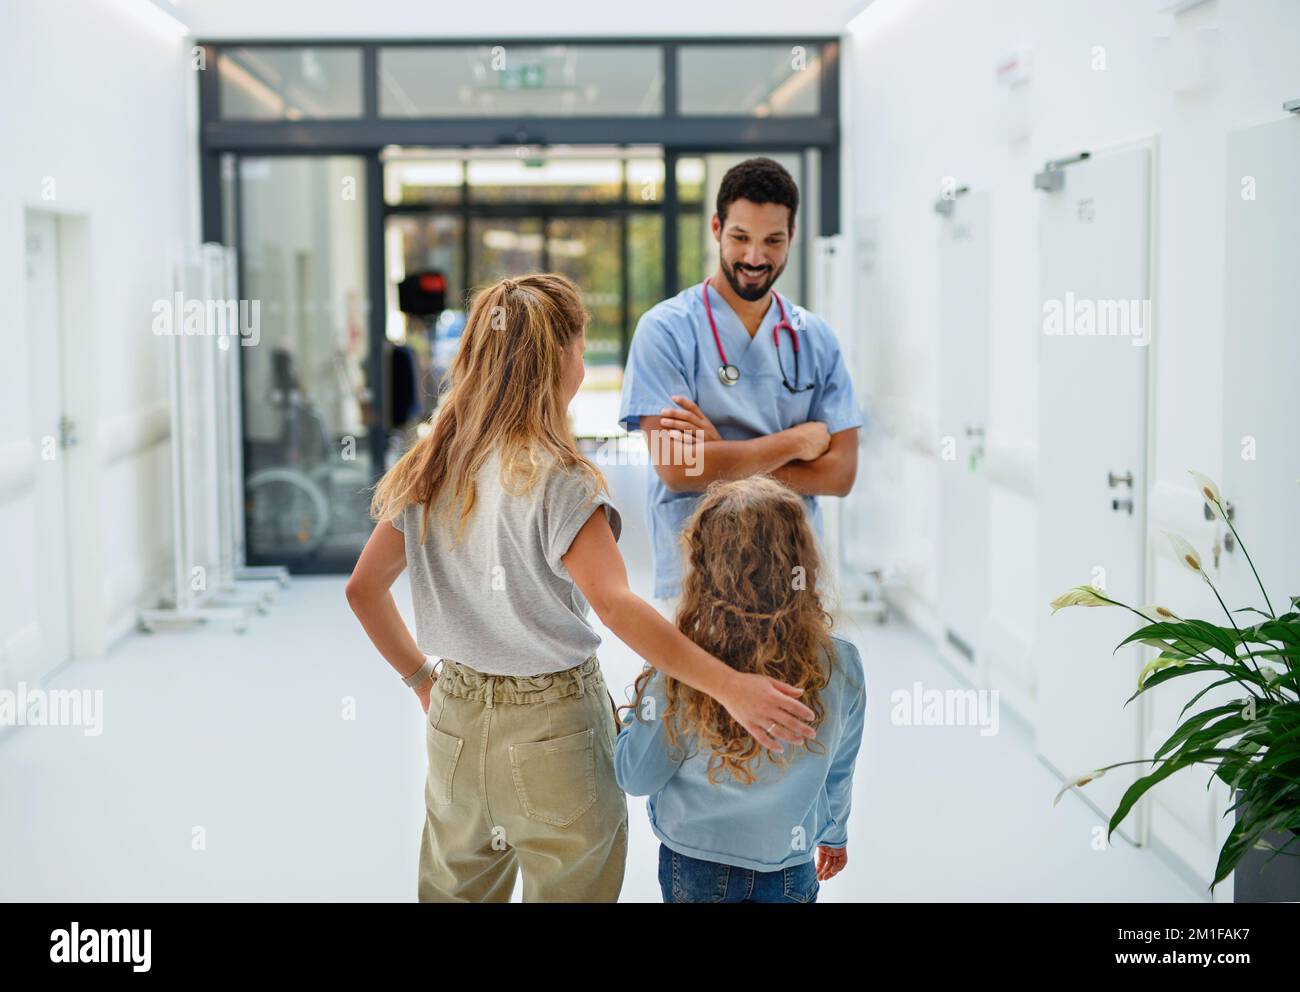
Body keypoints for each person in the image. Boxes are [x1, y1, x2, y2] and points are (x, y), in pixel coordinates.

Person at [344, 273, 817, 903]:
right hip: (554, 730)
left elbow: (363, 589)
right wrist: (730, 687)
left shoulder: (432, 465)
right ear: (559, 360)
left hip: (454, 718)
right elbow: (616, 604)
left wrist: (421, 681)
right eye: (579, 346)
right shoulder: (561, 480)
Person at [618, 157, 864, 613]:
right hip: (698, 574)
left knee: (794, 686)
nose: (755, 258)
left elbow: (840, 475)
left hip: (793, 573)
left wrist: (720, 460)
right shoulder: (666, 331)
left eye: (772, 240)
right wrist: (795, 441)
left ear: (792, 236)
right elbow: (677, 470)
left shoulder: (816, 339)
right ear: (716, 228)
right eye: (740, 238)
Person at [614, 476, 866, 903]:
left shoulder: (679, 667)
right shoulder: (840, 663)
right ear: (803, 561)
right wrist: (834, 833)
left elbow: (637, 776)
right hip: (790, 861)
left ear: (703, 566)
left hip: (694, 864)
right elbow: (840, 765)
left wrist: (622, 725)